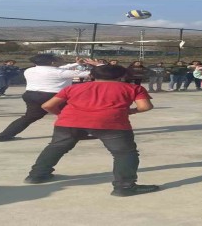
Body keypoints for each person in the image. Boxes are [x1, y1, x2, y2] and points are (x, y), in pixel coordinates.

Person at [23, 64, 160, 197]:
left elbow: (47, 105)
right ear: (122, 76)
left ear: (92, 75)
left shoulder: (74, 88)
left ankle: (37, 175)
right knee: (124, 153)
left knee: (56, 147)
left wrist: (61, 114)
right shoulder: (133, 88)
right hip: (111, 123)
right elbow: (145, 107)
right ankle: (124, 187)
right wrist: (131, 111)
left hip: (69, 122)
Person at [0, 55, 98, 142]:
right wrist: (98, 65)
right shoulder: (59, 72)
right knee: (75, 114)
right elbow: (93, 74)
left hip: (31, 95)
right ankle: (78, 134)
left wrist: (77, 64)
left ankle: (3, 136)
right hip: (54, 97)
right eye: (57, 60)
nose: (59, 61)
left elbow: (61, 68)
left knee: (29, 117)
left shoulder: (29, 70)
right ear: (52, 63)